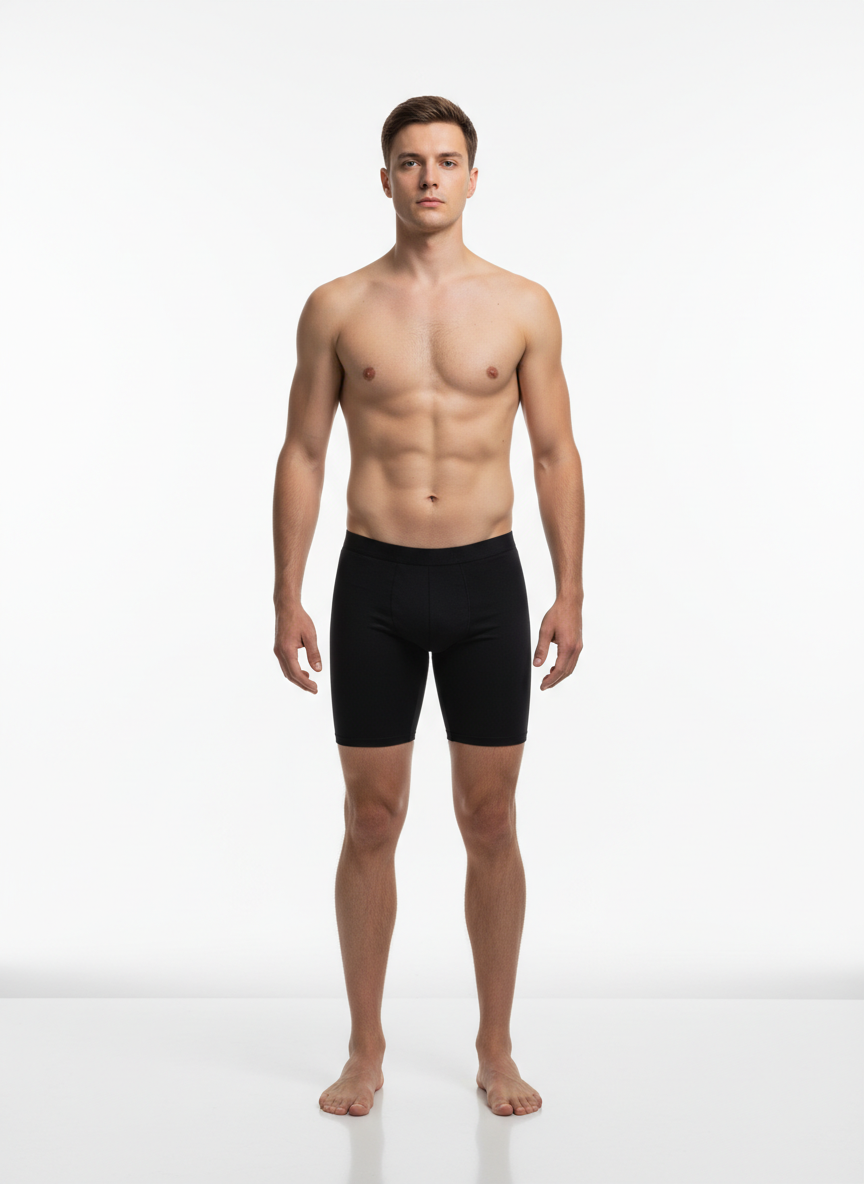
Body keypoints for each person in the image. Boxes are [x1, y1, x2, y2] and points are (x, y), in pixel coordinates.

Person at [272, 95, 584, 1118]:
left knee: (490, 818)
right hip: (375, 584)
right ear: (385, 179)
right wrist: (286, 591)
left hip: (487, 582)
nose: (429, 178)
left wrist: (570, 588)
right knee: (371, 818)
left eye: (447, 161)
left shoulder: (524, 304)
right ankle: (364, 1047)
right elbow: (304, 452)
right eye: (411, 162)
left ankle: (496, 1046)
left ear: (474, 178)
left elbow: (554, 453)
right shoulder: (337, 305)